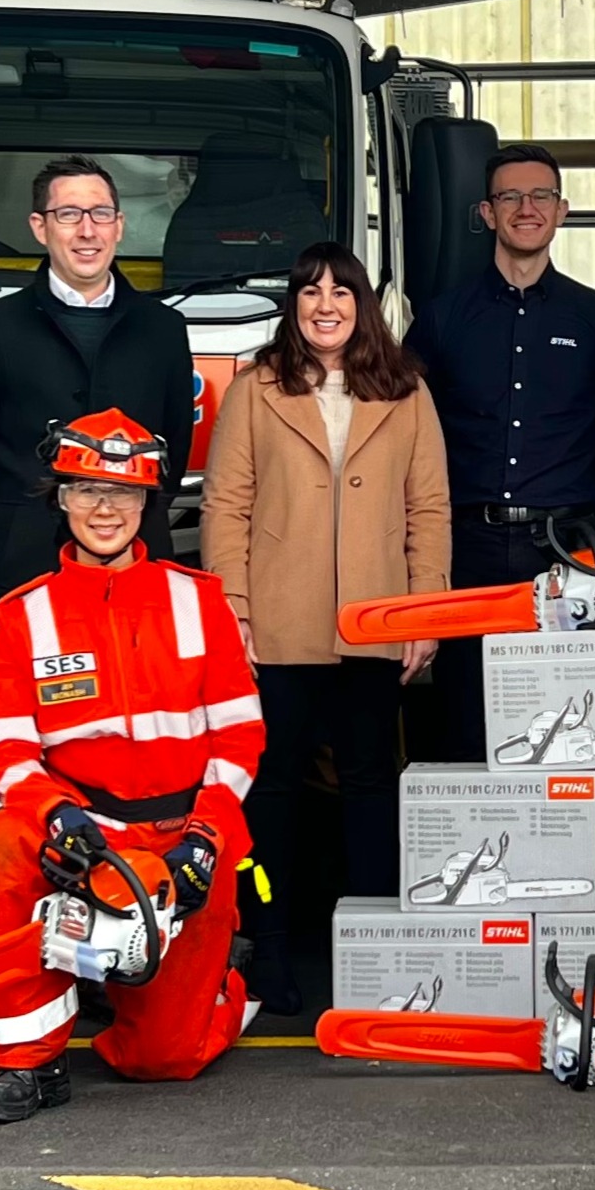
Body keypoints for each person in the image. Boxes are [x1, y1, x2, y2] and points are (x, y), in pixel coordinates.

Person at [0, 155, 198, 1030]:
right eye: (68, 214)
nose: (87, 229)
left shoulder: (161, 330)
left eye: (102, 213)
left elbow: (174, 455)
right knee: (3, 780)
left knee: (124, 767)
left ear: (122, 227)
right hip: (26, 583)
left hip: (133, 592)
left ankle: (108, 957)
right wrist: (12, 540)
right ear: (38, 227)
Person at [0, 409, 262, 1125]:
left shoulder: (201, 600)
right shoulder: (24, 614)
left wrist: (205, 840)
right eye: (85, 489)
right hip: (75, 830)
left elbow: (241, 738)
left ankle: (221, 979)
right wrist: (55, 817)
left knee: (163, 1059)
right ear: (60, 498)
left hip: (180, 838)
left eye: (121, 493)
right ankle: (28, 1060)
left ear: (147, 502)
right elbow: (4, 748)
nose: (104, 508)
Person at [202, 243, 452, 1000]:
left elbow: (429, 509)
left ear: (362, 303)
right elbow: (226, 507)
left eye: (341, 291)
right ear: (294, 305)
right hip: (276, 624)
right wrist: (231, 611)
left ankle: (372, 945)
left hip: (375, 625)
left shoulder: (406, 389)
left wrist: (425, 611)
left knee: (372, 784)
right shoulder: (255, 389)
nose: (325, 305)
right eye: (310, 291)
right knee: (271, 788)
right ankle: (269, 944)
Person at [406, 141, 595, 759]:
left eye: (541, 195)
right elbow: (403, 435)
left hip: (566, 552)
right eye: (510, 196)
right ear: (487, 212)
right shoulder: (441, 319)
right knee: (464, 718)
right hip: (466, 552)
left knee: (564, 722)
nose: (526, 207)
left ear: (562, 211)